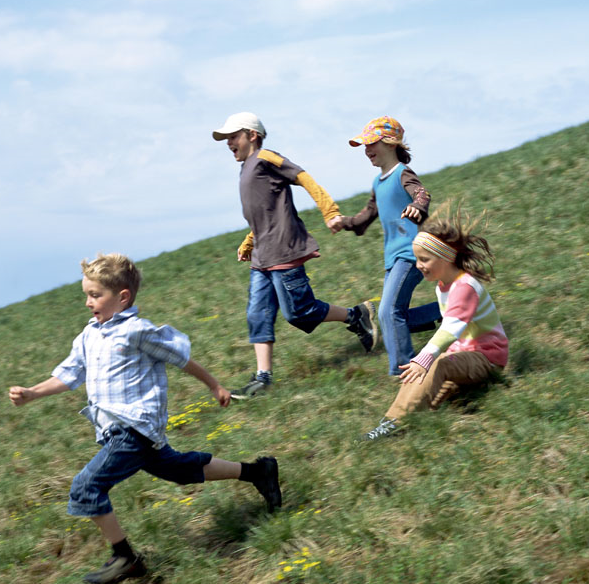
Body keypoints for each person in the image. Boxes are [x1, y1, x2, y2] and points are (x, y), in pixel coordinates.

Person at [9, 253, 282, 584]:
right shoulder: (89, 336)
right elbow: (69, 374)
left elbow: (181, 359)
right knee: (179, 469)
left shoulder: (137, 331)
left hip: (134, 428)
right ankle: (258, 472)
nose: (87, 302)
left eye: (95, 295)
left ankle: (125, 557)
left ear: (122, 297)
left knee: (86, 486)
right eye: (86, 294)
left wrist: (214, 385)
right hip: (113, 430)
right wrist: (33, 392)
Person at [212, 111, 378, 399]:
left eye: (233, 136)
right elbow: (264, 215)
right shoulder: (247, 167)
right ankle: (263, 379)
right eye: (226, 138)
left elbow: (303, 177)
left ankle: (356, 315)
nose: (228, 143)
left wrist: (330, 211)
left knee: (298, 312)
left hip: (284, 251)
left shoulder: (267, 158)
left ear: (252, 135)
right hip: (262, 257)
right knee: (257, 314)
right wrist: (249, 242)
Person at [362, 206, 508, 440]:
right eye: (417, 259)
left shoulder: (465, 286)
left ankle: (392, 424)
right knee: (429, 386)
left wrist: (425, 357)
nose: (418, 265)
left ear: (447, 256)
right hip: (463, 355)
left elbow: (451, 327)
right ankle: (392, 421)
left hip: (488, 358)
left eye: (424, 259)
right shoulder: (443, 286)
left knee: (434, 363)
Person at [340, 116, 441, 376]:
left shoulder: (402, 174)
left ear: (390, 143)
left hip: (411, 254)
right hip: (392, 258)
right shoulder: (378, 182)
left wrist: (418, 207)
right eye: (364, 145)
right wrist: (346, 222)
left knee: (387, 312)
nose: (366, 150)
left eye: (371, 144)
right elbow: (367, 216)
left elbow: (422, 193)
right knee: (391, 318)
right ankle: (450, 311)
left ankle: (402, 372)